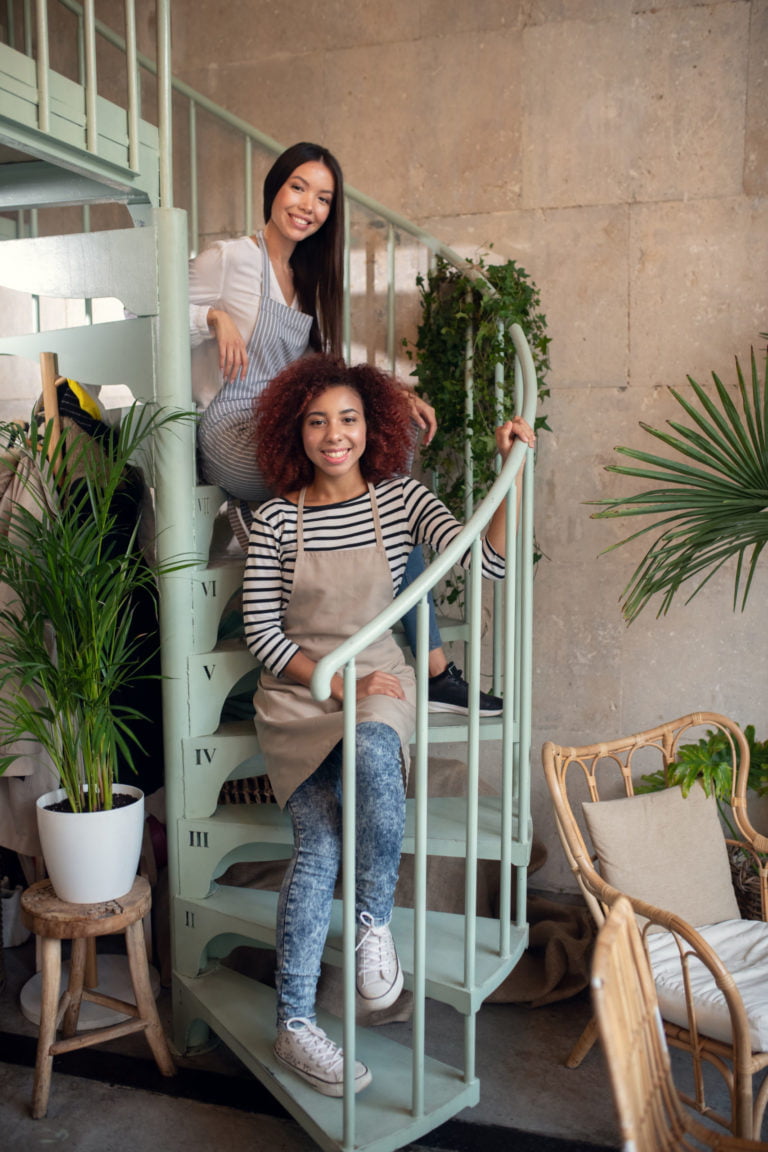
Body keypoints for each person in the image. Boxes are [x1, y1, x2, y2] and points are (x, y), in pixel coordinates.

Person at [242, 353, 535, 1097]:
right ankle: (296, 1028)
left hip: (380, 683)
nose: (333, 436)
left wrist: (514, 472)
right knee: (317, 846)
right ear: (295, 432)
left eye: (347, 419)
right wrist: (333, 681)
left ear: (372, 426)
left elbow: (484, 567)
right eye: (316, 422)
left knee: (374, 748)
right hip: (300, 695)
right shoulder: (276, 518)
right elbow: (263, 636)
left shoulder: (400, 501)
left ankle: (373, 925)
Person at [189, 140, 502, 716]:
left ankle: (426, 664)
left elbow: (320, 372)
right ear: (276, 189)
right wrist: (213, 316)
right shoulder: (231, 256)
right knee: (376, 496)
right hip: (232, 424)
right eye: (299, 187)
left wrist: (393, 393)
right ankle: (431, 667)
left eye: (324, 198)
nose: (309, 205)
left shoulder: (307, 277)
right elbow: (155, 319)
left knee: (391, 457)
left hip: (285, 420)